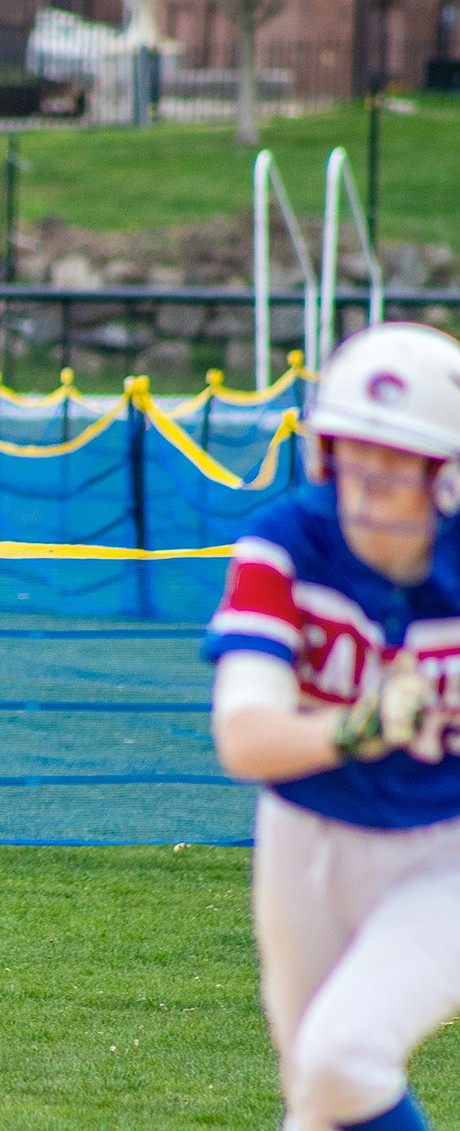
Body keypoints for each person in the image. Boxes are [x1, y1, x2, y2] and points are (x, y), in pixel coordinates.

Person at [203, 321, 460, 1131]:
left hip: (443, 849)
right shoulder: (287, 545)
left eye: (394, 468)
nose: (366, 488)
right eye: (353, 458)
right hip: (305, 838)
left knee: (342, 1055)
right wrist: (359, 728)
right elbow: (244, 736)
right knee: (319, 1099)